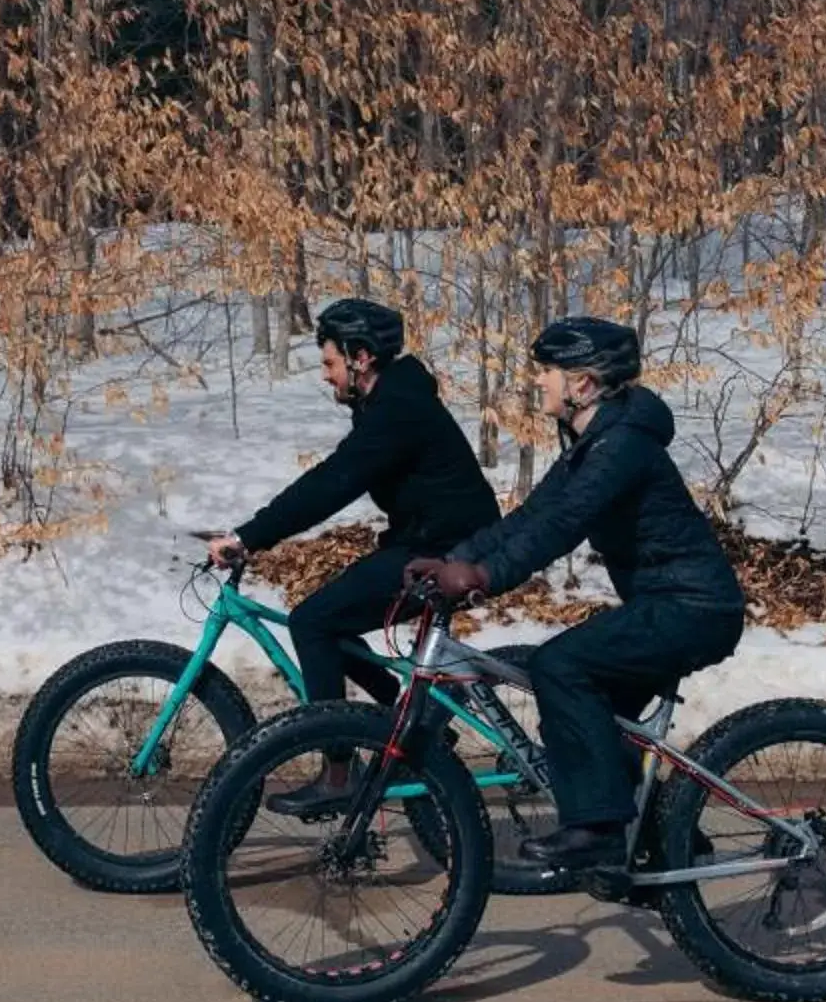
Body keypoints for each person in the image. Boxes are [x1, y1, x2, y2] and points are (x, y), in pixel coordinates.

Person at [405, 315, 745, 872]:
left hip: (693, 608)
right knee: (588, 722)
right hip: (667, 605)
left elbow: (561, 525)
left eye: (550, 373)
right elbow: (532, 517)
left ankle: (596, 831)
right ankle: (666, 833)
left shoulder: (621, 446)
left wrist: (486, 578)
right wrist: (455, 561)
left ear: (583, 384)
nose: (540, 382)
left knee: (561, 666)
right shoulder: (599, 442)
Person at [206, 298, 499, 816]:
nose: (326, 376)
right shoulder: (390, 399)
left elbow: (334, 483)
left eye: (329, 363)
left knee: (314, 622)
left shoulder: (398, 408)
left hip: (448, 551)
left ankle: (338, 771)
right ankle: (403, 725)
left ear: (361, 358)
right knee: (330, 623)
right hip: (435, 540)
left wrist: (251, 536)